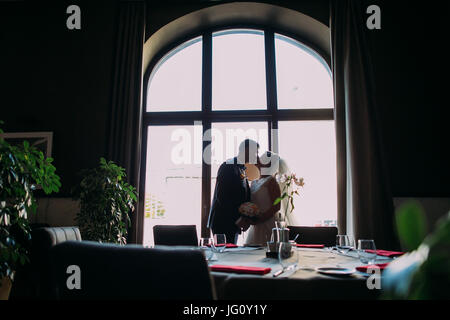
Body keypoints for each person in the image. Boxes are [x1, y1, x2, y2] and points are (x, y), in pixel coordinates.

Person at [207, 139, 260, 244]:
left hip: (233, 223)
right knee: (224, 256)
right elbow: (222, 196)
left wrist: (246, 218)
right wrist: (238, 218)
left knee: (231, 254)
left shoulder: (242, 169)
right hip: (223, 221)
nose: (257, 156)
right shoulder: (228, 166)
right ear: (246, 150)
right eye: (255, 152)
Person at [245, 151, 293, 246]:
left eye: (261, 160)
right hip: (256, 223)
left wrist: (261, 218)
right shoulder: (254, 182)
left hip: (268, 222)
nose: (258, 160)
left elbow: (276, 206)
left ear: (267, 164)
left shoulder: (271, 182)